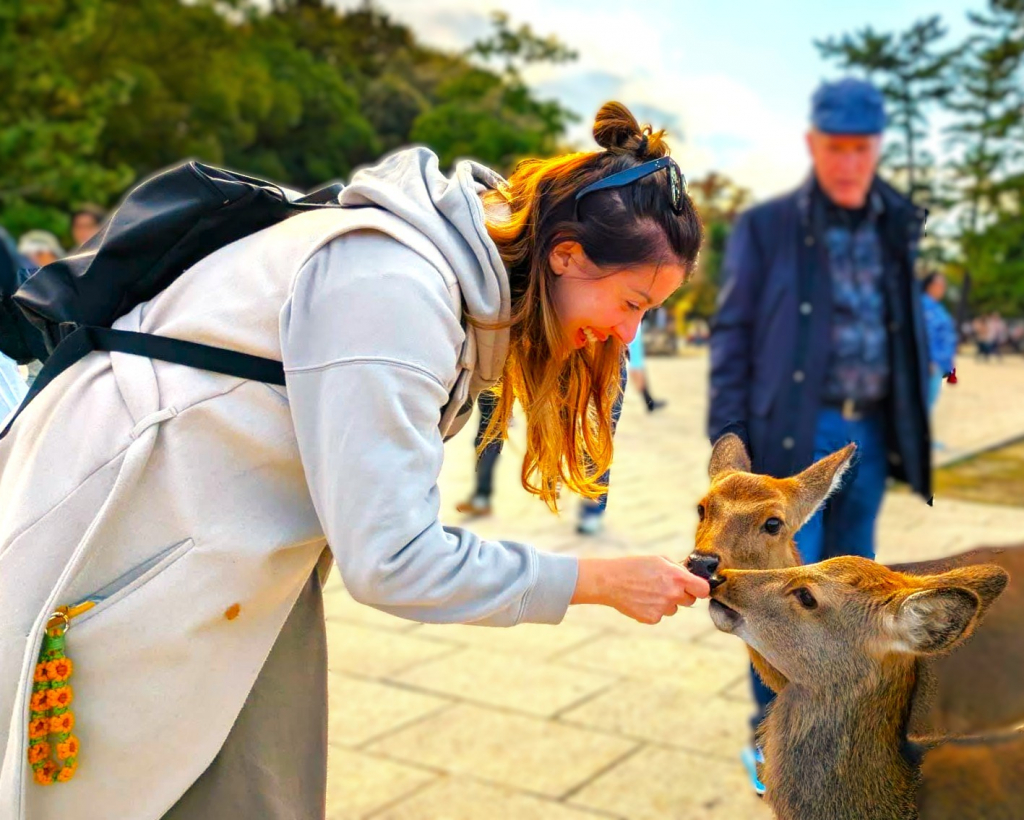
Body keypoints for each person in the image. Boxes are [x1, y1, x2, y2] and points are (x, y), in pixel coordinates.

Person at [0, 102, 709, 819]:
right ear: (566, 256)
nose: (627, 335)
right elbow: (394, 561)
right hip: (124, 548)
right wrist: (593, 581)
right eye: (633, 302)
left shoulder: (434, 277)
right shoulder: (395, 286)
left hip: (219, 554)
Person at [708, 78, 932, 794]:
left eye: (862, 149)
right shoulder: (769, 229)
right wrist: (730, 437)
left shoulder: (894, 226)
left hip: (863, 435)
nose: (849, 161)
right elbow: (735, 331)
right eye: (835, 147)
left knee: (853, 590)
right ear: (814, 147)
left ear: (876, 152)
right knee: (773, 588)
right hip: (794, 438)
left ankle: (846, 740)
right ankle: (769, 734)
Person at [921, 271, 956, 448]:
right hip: (930, 364)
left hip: (939, 363)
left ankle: (924, 438)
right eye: (940, 284)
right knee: (924, 402)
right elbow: (925, 335)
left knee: (930, 402)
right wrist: (929, 360)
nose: (943, 288)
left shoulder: (936, 306)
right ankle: (922, 440)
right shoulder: (923, 305)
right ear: (930, 285)